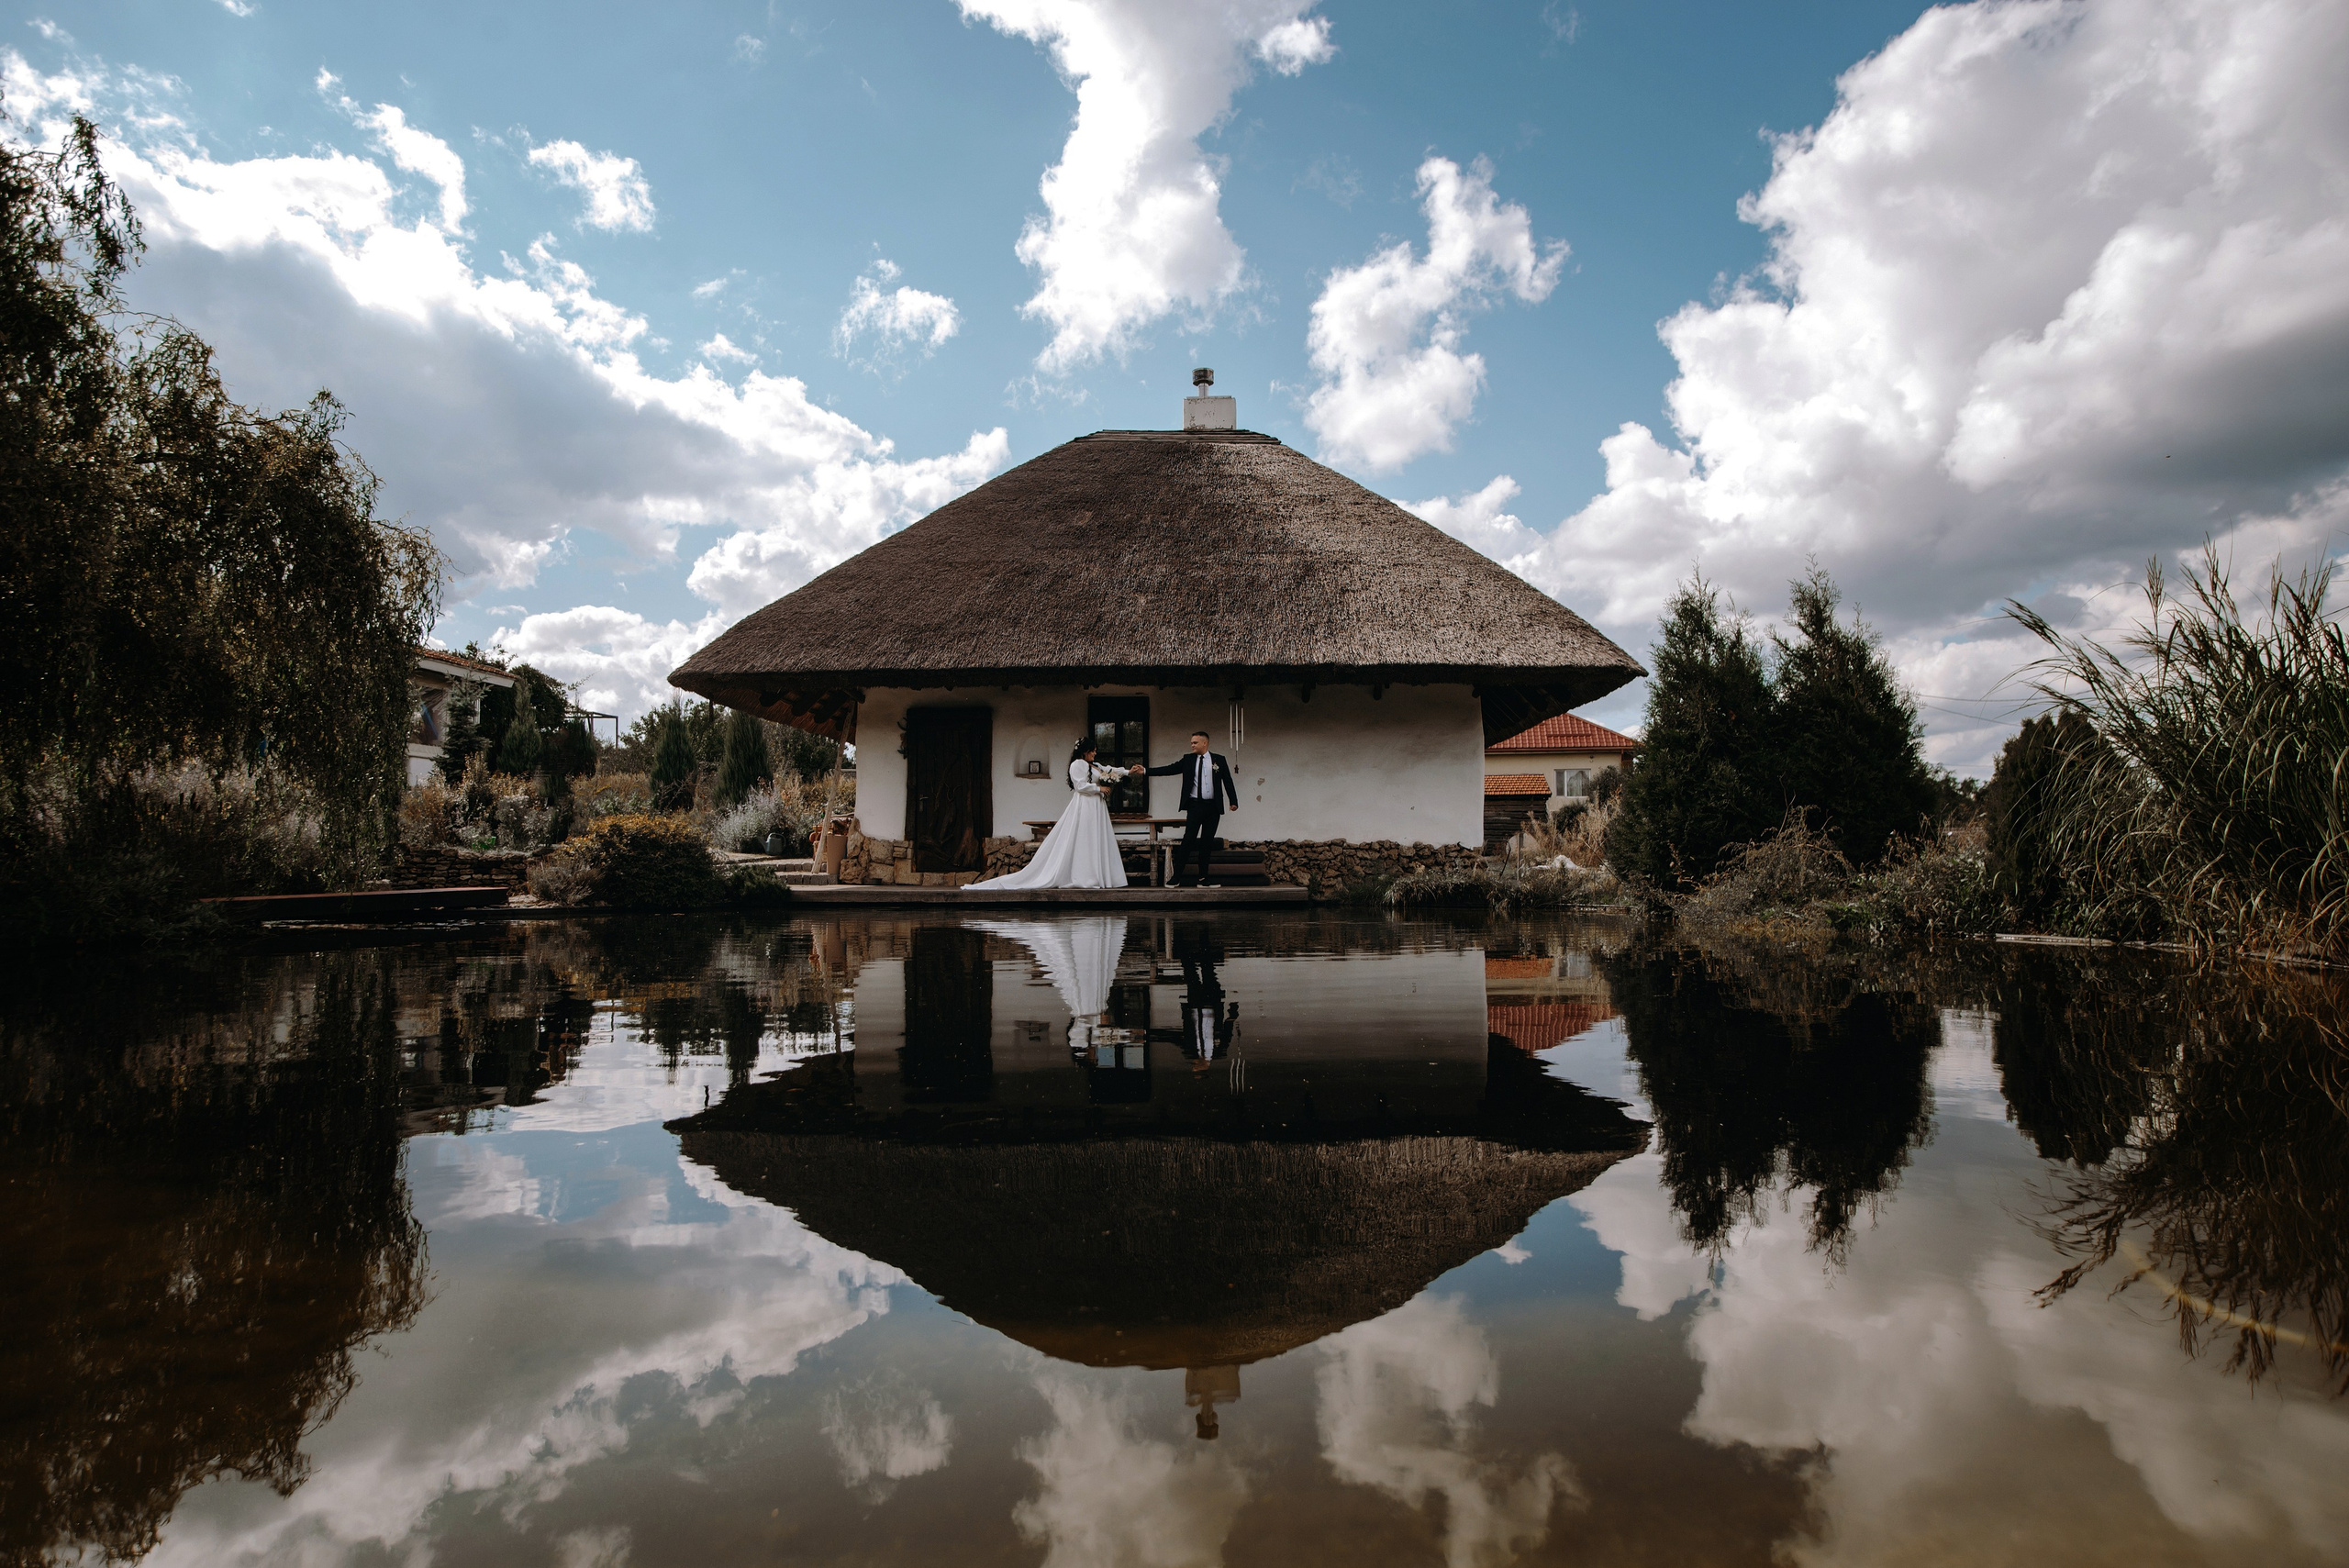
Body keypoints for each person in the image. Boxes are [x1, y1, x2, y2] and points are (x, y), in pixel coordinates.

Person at [962, 740, 1140, 890]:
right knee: (1085, 837)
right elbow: (1079, 786)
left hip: (1097, 806)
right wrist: (1098, 788)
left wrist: (1128, 772)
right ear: (1084, 752)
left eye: (1095, 751)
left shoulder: (1095, 765)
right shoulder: (1078, 765)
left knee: (1095, 838)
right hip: (1086, 805)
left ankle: (1100, 876)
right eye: (1092, 751)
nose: (1094, 753)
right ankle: (1086, 876)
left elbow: (1109, 770)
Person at [1144, 730, 1239, 886]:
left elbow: (1227, 781)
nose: (1192, 745)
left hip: (1213, 808)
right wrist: (1146, 771)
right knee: (1188, 841)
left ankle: (1203, 879)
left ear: (1204, 743)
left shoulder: (1219, 760)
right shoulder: (1188, 760)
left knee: (1207, 843)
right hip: (1195, 806)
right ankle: (1176, 877)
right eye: (1191, 742)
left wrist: (1233, 800)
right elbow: (1169, 769)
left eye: (1195, 742)